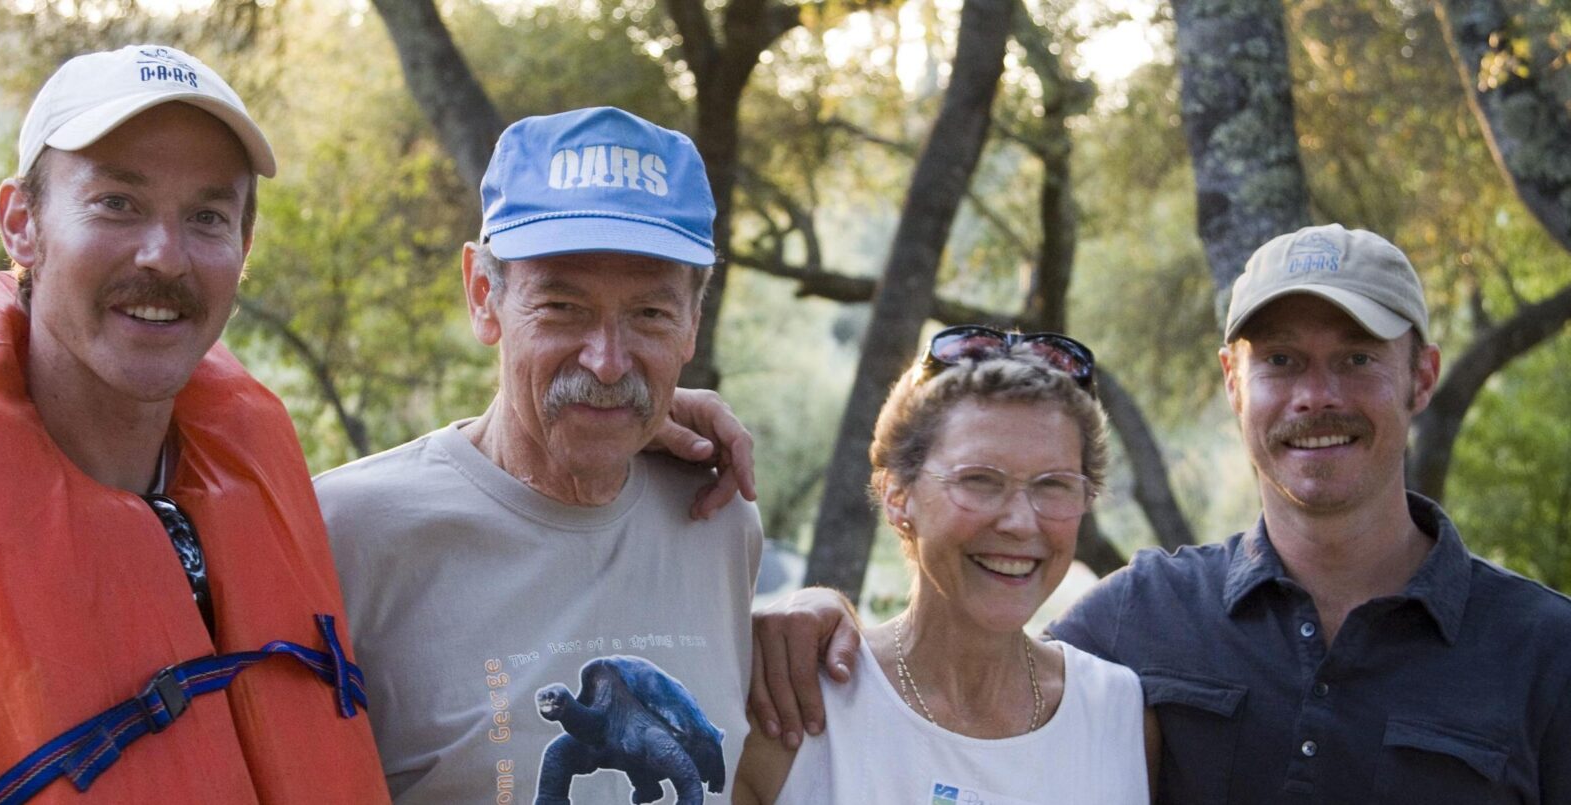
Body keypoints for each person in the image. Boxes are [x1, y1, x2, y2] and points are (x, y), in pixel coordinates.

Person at [751, 224, 1571, 804]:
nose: (1316, 395)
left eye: (1355, 358)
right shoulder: (1135, 625)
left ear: (1422, 377)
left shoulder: (1545, 653)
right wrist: (805, 610)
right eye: (1281, 360)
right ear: (1231, 381)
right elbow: (971, 662)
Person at [0, 45, 391, 802]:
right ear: (22, 224)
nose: (165, 256)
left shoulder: (295, 526)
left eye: (207, 216)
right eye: (117, 203)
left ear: (243, 249)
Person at [317, 106, 765, 805]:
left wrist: (809, 615)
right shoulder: (348, 532)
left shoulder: (717, 519)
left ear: (691, 325)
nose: (608, 361)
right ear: (482, 295)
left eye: (649, 314)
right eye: (562, 307)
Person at [734, 328, 1152, 804]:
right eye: (978, 480)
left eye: (1054, 485)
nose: (1019, 522)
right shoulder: (793, 712)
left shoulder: (1120, 717)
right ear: (897, 496)